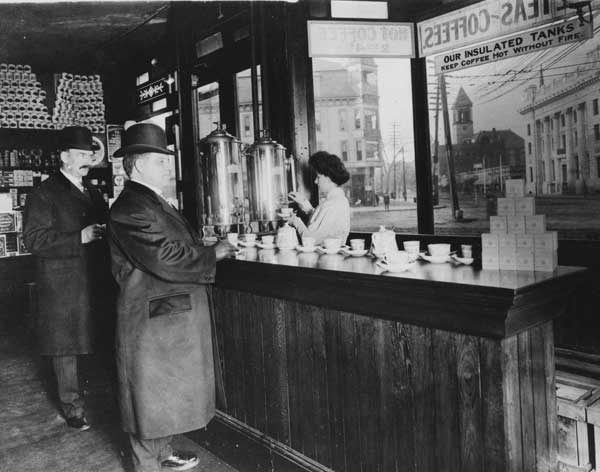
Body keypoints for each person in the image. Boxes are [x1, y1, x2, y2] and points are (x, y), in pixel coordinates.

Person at [108, 123, 238, 472]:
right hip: (150, 319)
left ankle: (162, 453)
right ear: (137, 165)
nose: (167, 167)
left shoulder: (147, 200)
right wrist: (215, 253)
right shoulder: (130, 207)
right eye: (159, 161)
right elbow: (165, 256)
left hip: (163, 314)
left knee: (158, 397)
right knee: (147, 399)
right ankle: (146, 465)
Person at [23, 126, 111, 431]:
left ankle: (96, 400)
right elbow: (34, 240)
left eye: (90, 154)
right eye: (82, 154)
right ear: (64, 157)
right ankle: (72, 408)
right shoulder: (44, 193)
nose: (88, 159)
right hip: (62, 283)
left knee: (92, 339)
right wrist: (80, 237)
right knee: (66, 347)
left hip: (92, 277)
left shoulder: (93, 191)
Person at [287, 151, 350, 245]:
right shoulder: (334, 200)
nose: (316, 181)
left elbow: (311, 239)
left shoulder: (334, 204)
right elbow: (320, 223)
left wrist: (294, 220)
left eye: (318, 177)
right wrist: (303, 202)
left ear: (328, 178)